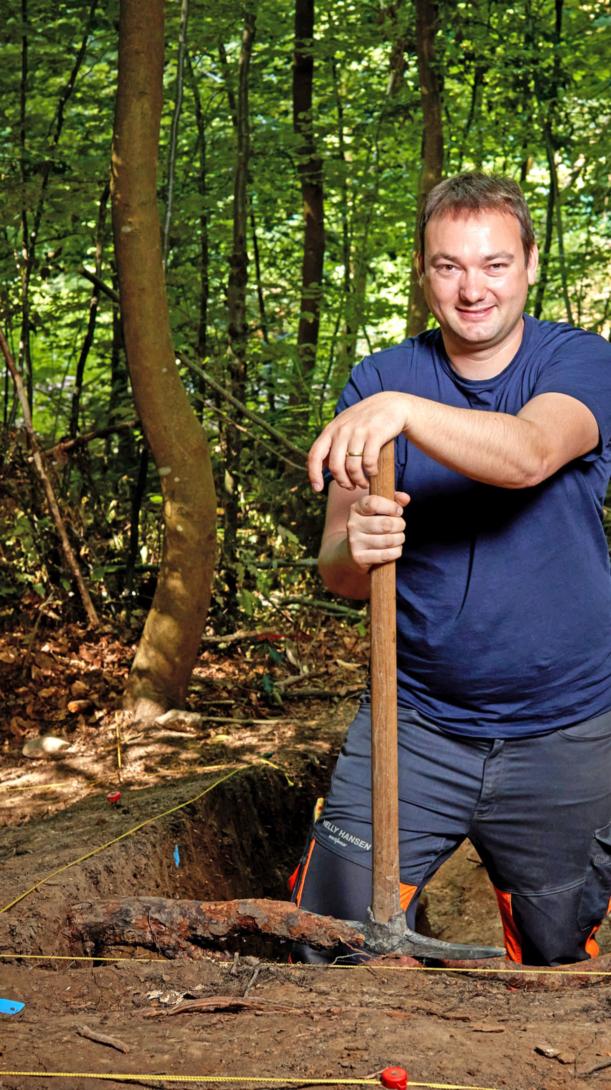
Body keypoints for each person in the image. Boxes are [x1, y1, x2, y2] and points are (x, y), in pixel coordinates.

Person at [292, 172, 611, 966]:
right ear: (422, 271)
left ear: (529, 264)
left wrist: (403, 413)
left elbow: (528, 454)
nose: (472, 290)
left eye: (494, 264)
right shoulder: (378, 380)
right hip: (415, 724)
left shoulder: (580, 361)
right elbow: (337, 570)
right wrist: (358, 546)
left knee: (555, 956)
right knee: (332, 944)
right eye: (449, 266)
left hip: (567, 728)